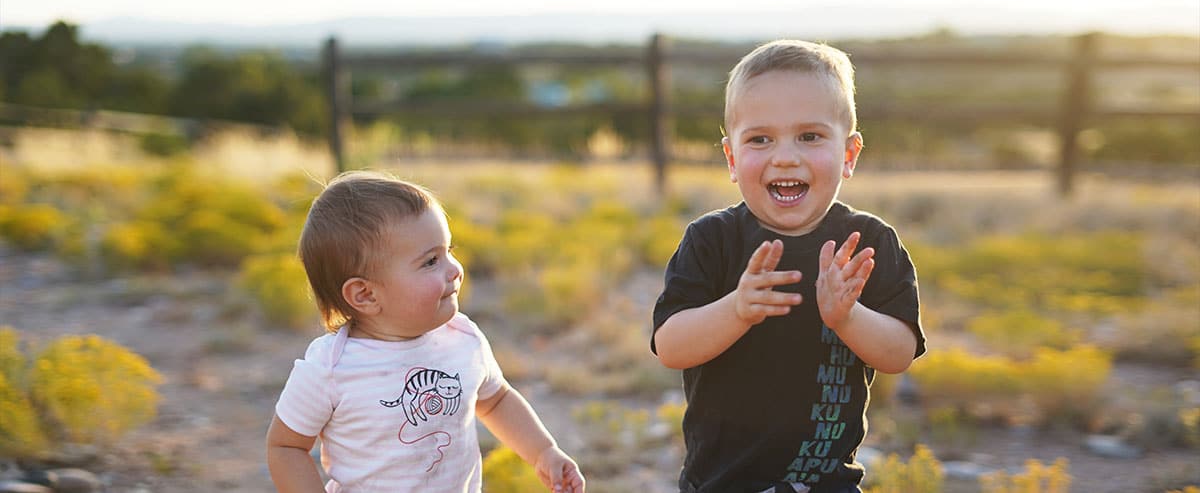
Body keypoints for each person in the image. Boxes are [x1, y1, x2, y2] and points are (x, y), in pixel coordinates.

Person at [651, 40, 926, 493]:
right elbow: (670, 346)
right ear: (732, 159)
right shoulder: (713, 240)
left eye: (810, 136)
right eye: (760, 139)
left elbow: (898, 355)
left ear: (849, 154)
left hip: (828, 483)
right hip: (722, 483)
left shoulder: (869, 243)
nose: (785, 156)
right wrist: (737, 309)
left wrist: (847, 317)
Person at [267, 170, 585, 493]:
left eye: (449, 250)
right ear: (366, 295)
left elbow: (496, 399)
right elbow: (286, 446)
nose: (455, 269)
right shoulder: (330, 368)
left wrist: (544, 451)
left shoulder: (462, 338)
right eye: (431, 261)